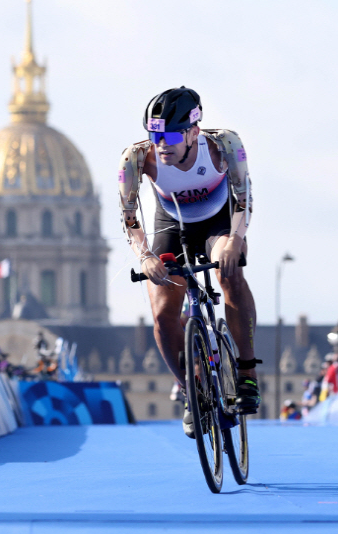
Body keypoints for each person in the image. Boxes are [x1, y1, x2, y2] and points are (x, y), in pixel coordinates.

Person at [119, 87, 259, 437]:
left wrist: (235, 242)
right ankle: (189, 391)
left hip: (219, 221)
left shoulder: (225, 145)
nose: (160, 144)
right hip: (171, 225)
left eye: (168, 136)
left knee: (229, 274)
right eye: (154, 135)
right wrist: (146, 256)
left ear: (194, 132)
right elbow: (129, 214)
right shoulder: (136, 158)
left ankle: (246, 372)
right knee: (164, 314)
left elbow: (244, 198)